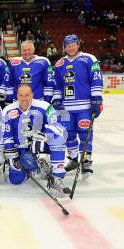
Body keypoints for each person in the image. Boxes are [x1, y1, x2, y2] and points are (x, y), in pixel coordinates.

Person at [3, 84, 69, 197]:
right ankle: (33, 167)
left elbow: (58, 126)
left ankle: (56, 178)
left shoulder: (45, 106)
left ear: (32, 95)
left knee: (59, 138)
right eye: (21, 95)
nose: (24, 99)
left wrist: (43, 136)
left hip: (41, 145)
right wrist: (12, 155)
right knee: (15, 180)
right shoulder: (8, 111)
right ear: (17, 96)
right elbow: (5, 135)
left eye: (27, 95)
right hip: (20, 149)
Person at [53, 34, 103, 180]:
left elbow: (96, 78)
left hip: (84, 107)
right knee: (68, 135)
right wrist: (56, 100)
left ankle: (86, 161)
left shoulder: (89, 59)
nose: (71, 47)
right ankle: (74, 159)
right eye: (67, 45)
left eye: (73, 44)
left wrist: (96, 98)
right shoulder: (59, 64)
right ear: (64, 47)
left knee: (85, 134)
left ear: (78, 45)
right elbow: (57, 84)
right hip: (66, 109)